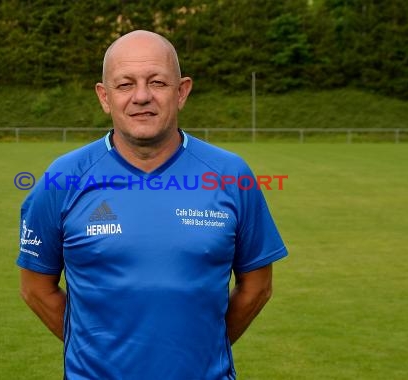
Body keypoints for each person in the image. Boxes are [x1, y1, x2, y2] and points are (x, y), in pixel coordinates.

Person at [17, 30, 288, 379]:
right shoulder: (63, 178)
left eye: (157, 82)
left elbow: (257, 287)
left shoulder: (230, 174)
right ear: (104, 96)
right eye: (125, 84)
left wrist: (202, 349)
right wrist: (98, 356)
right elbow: (35, 288)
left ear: (182, 92)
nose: (141, 96)